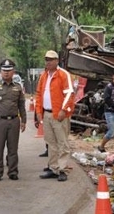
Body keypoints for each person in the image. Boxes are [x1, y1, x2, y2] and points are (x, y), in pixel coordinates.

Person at [36, 50, 75, 182]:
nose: (48, 62)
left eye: (51, 59)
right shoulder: (44, 76)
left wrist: (64, 110)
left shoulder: (64, 75)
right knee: (51, 143)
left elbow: (69, 94)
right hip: (47, 114)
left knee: (62, 143)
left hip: (59, 115)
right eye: (46, 59)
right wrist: (38, 112)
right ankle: (53, 168)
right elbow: (38, 94)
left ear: (57, 61)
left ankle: (62, 169)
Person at [0, 59, 26, 181]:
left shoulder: (18, 87)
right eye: (4, 71)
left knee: (13, 148)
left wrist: (23, 120)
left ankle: (13, 171)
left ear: (13, 72)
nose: (6, 73)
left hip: (14, 121)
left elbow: (21, 105)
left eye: (9, 71)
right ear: (0, 72)